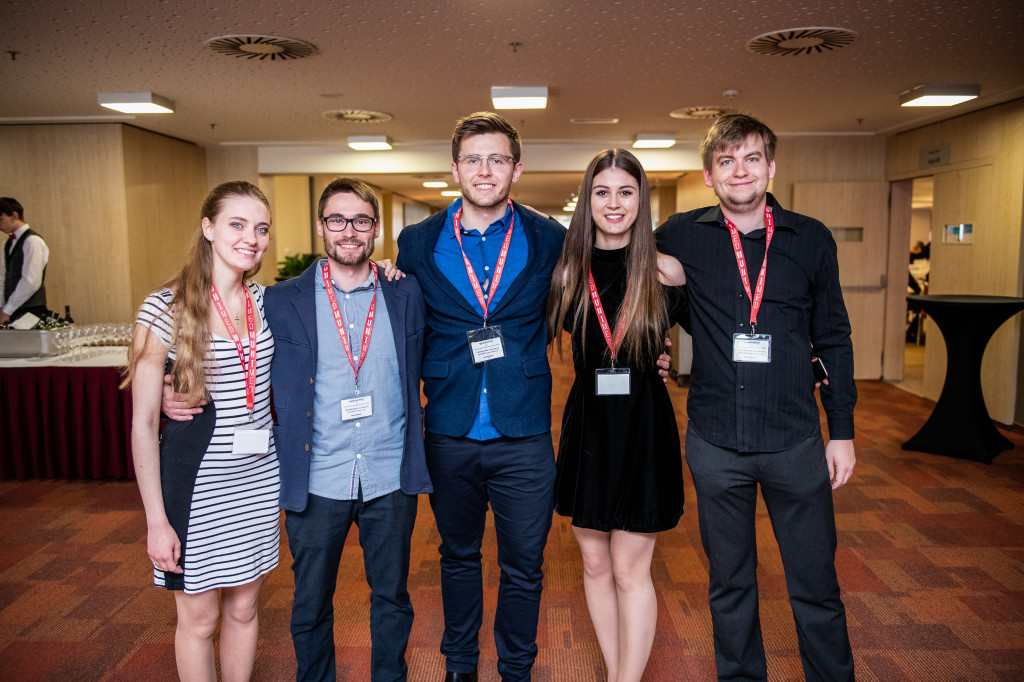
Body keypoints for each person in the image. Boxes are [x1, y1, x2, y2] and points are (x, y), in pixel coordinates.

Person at [163, 178, 431, 681]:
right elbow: (223, 336)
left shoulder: (405, 291)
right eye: (337, 220)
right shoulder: (279, 299)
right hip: (316, 474)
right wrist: (165, 381)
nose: (349, 231)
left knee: (392, 596)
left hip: (389, 472)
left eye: (361, 221)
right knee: (310, 602)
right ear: (320, 227)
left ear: (376, 229)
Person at [655, 114, 857, 681]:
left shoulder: (809, 238)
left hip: (795, 439)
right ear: (708, 174)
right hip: (716, 442)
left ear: (770, 167)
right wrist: (652, 347)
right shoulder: (679, 234)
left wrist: (840, 428)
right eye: (726, 161)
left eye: (750, 159)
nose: (738, 171)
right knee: (730, 584)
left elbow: (835, 336)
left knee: (815, 583)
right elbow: (628, 280)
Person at [395, 112, 566, 682]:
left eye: (497, 159)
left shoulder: (548, 237)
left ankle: (517, 668)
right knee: (458, 557)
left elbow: (591, 299)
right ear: (454, 169)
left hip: (524, 431)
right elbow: (401, 316)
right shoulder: (417, 242)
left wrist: (651, 347)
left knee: (524, 565)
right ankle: (461, 667)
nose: (484, 170)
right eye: (473, 159)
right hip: (448, 426)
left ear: (517, 167)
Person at [122, 181, 280, 681]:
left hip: (258, 481)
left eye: (261, 228)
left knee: (244, 609)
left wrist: (386, 268)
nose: (251, 238)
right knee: (199, 618)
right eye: (237, 225)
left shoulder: (266, 301)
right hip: (198, 487)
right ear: (208, 228)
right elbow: (145, 423)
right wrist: (155, 520)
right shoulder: (164, 307)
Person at [545, 149, 689, 682]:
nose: (613, 203)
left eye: (625, 192)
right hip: (589, 431)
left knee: (631, 568)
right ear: (587, 201)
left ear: (640, 200)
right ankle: (614, 672)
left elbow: (718, 337)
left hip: (644, 431)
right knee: (596, 563)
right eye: (601, 192)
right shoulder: (566, 276)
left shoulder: (666, 271)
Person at [0, 197, 49, 324]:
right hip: (10, 311)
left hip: (31, 311)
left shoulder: (32, 241)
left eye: (1, 219)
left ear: (14, 216)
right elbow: (2, 278)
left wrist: (7, 310)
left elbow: (31, 281)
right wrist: (2, 306)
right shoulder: (6, 244)